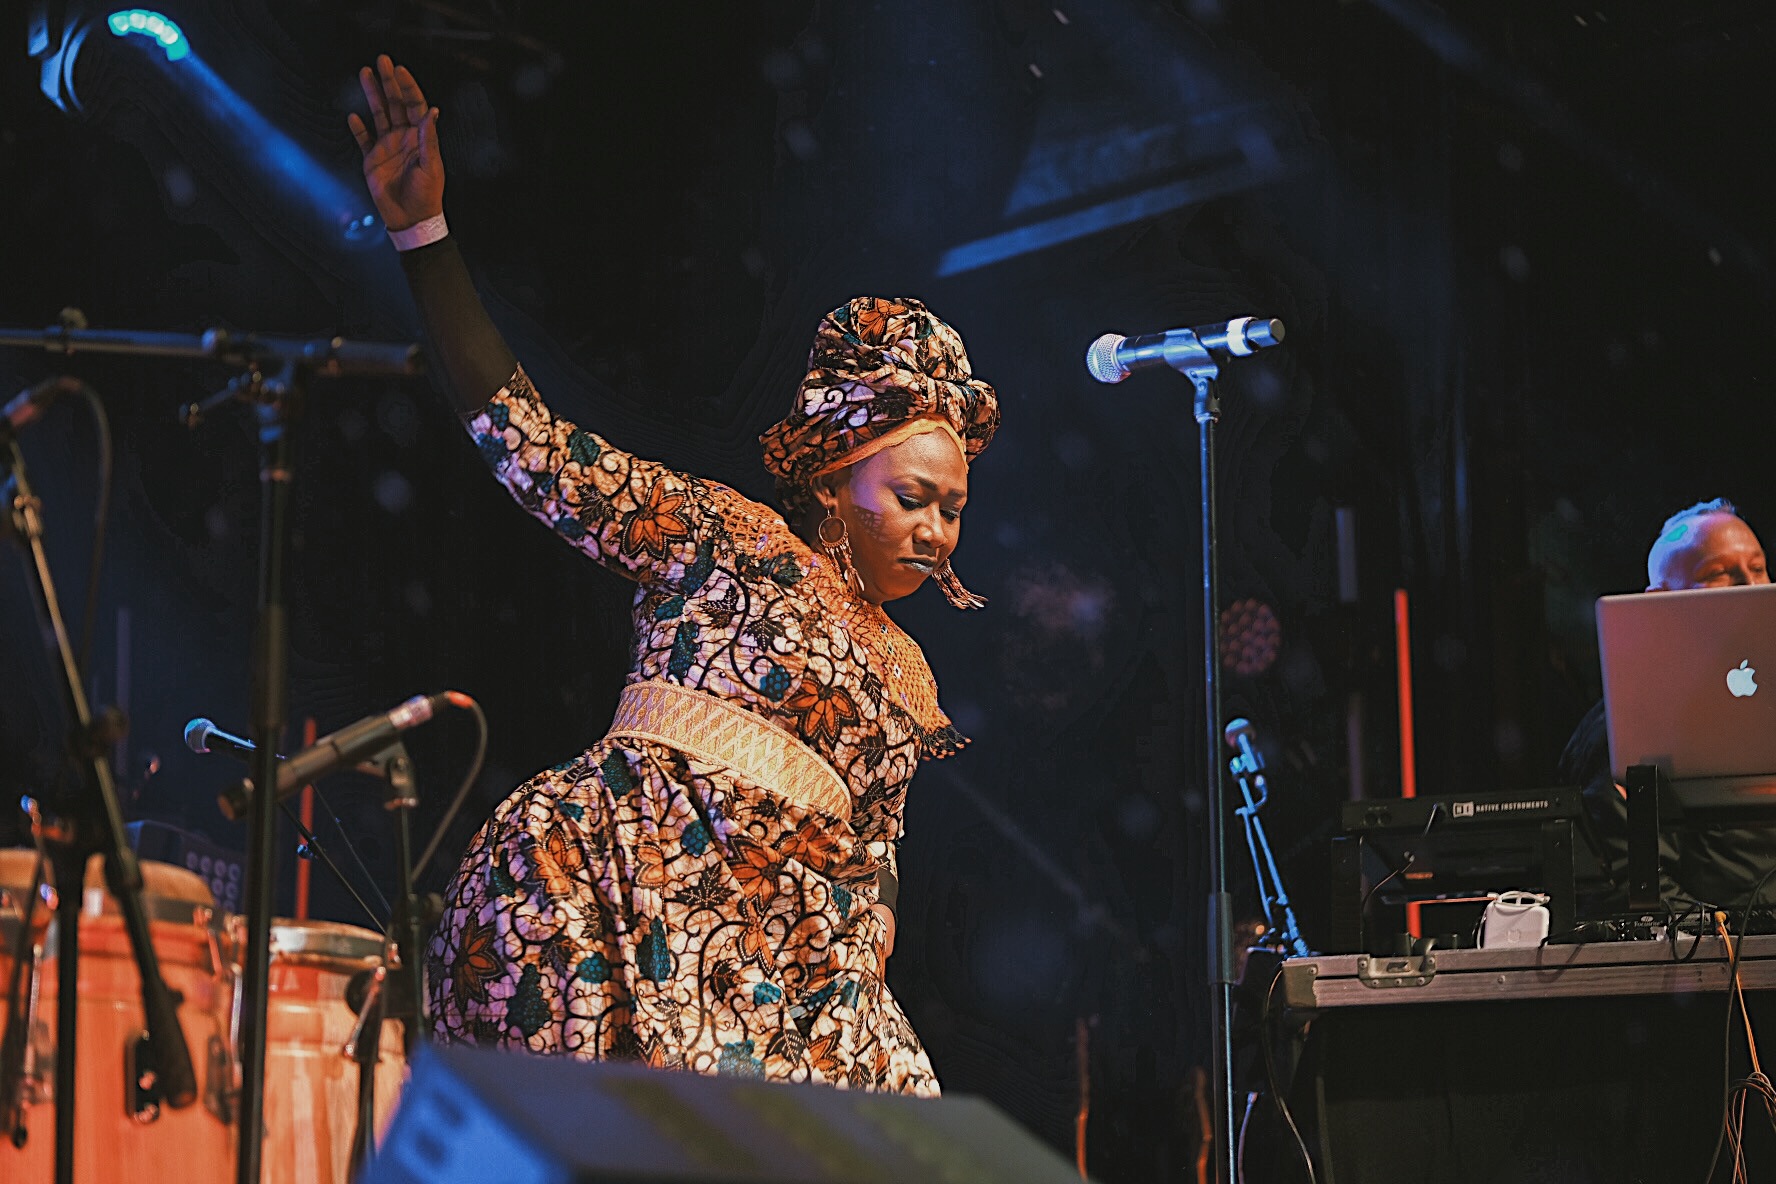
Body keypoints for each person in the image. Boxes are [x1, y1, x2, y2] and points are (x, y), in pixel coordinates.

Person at [348, 56, 1000, 1094]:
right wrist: (424, 237)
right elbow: (534, 448)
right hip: (621, 901)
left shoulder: (912, 672)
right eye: (914, 496)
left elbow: (873, 871)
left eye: (953, 509)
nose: (935, 530)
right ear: (834, 480)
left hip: (788, 982)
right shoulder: (722, 536)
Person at [1559, 497, 1772, 909]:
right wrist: (1727, 941)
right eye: (1719, 573)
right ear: (1659, 600)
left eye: (1758, 567)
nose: (1751, 585)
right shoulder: (1624, 729)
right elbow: (1636, 887)